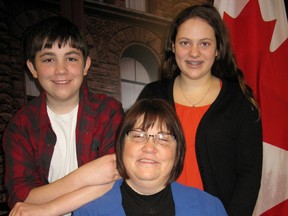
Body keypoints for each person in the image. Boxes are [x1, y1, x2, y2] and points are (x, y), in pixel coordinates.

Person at [138, 4, 262, 216]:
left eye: (204, 43)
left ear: (218, 49)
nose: (194, 53)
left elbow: (249, 176)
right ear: (173, 46)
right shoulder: (152, 95)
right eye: (185, 43)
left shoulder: (240, 103)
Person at [3, 16, 123, 215]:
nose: (61, 70)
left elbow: (116, 177)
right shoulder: (20, 126)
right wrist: (85, 176)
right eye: (49, 59)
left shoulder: (108, 110)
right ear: (33, 68)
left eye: (71, 58)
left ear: (86, 65)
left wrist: (49, 208)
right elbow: (21, 197)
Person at [73, 98, 227, 216]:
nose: (149, 148)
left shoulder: (210, 209)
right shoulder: (89, 210)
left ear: (178, 152)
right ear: (121, 146)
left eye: (163, 138)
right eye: (138, 135)